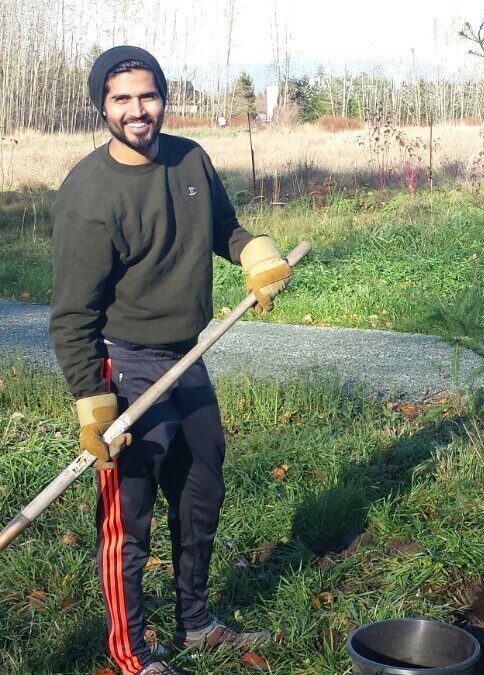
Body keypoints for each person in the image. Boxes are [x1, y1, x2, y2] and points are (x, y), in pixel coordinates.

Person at [49, 46, 293, 675]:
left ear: (164, 97)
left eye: (148, 95)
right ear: (100, 105)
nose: (138, 111)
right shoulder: (88, 195)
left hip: (189, 357)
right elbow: (72, 317)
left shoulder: (190, 159)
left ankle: (194, 622)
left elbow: (222, 227)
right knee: (129, 523)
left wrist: (254, 253)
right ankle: (130, 653)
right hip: (123, 366)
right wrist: (92, 401)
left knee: (199, 492)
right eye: (121, 99)